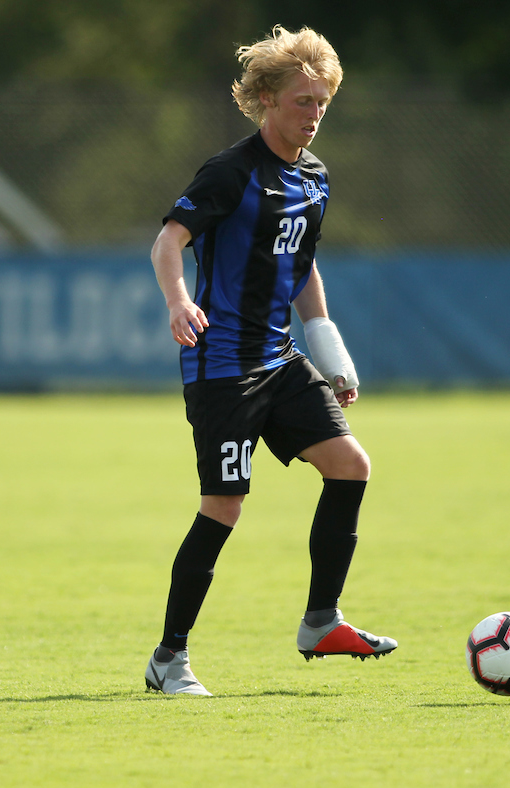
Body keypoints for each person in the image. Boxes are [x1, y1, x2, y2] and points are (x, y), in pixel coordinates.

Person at [145, 25, 397, 696]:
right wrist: (176, 302)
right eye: (300, 101)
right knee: (224, 506)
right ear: (264, 99)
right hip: (222, 365)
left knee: (351, 466)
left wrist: (330, 348)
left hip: (280, 359)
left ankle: (321, 621)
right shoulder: (230, 173)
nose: (313, 114)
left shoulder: (314, 180)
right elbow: (169, 242)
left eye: (322, 101)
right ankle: (169, 659)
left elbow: (301, 265)